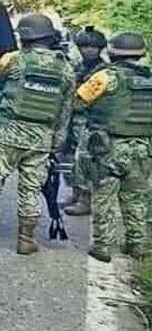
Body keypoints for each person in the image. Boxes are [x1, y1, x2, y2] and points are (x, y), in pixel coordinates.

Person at [0, 13, 75, 254]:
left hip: (6, 134)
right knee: (31, 189)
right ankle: (26, 240)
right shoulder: (65, 68)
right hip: (41, 138)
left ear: (24, 37)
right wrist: (58, 139)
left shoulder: (14, 59)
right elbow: (66, 108)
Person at [75, 32, 152, 262]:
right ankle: (137, 245)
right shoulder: (149, 78)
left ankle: (102, 246)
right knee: (136, 198)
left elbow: (79, 101)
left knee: (104, 196)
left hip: (108, 148)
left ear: (112, 52)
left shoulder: (105, 77)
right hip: (142, 147)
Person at [62, 26, 108, 216]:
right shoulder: (78, 66)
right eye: (85, 46)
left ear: (100, 49)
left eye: (93, 47)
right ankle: (76, 193)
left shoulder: (104, 71)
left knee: (85, 160)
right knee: (72, 159)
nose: (89, 50)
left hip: (91, 121)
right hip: (74, 119)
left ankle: (85, 199)